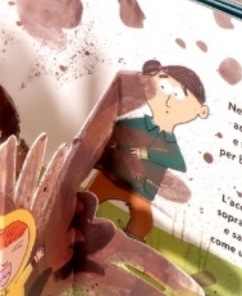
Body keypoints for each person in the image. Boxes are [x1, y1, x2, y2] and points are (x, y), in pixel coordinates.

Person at [87, 60, 209, 240]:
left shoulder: (170, 144)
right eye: (163, 88)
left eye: (178, 95)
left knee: (142, 224)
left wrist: (146, 154)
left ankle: (126, 249)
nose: (168, 101)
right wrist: (132, 159)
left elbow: (179, 163)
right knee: (88, 200)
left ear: (201, 111)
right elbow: (118, 129)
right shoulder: (135, 123)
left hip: (142, 191)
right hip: (112, 176)